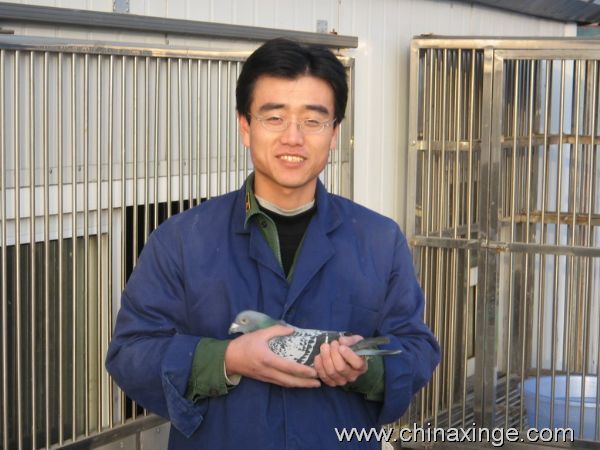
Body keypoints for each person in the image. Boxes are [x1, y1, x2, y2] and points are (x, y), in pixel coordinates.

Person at [106, 38, 440, 450]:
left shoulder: (378, 239)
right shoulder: (181, 239)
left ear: (335, 132)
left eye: (313, 120)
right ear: (245, 127)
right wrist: (228, 359)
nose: (293, 137)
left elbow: (416, 348)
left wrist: (364, 370)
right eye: (275, 118)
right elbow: (130, 353)